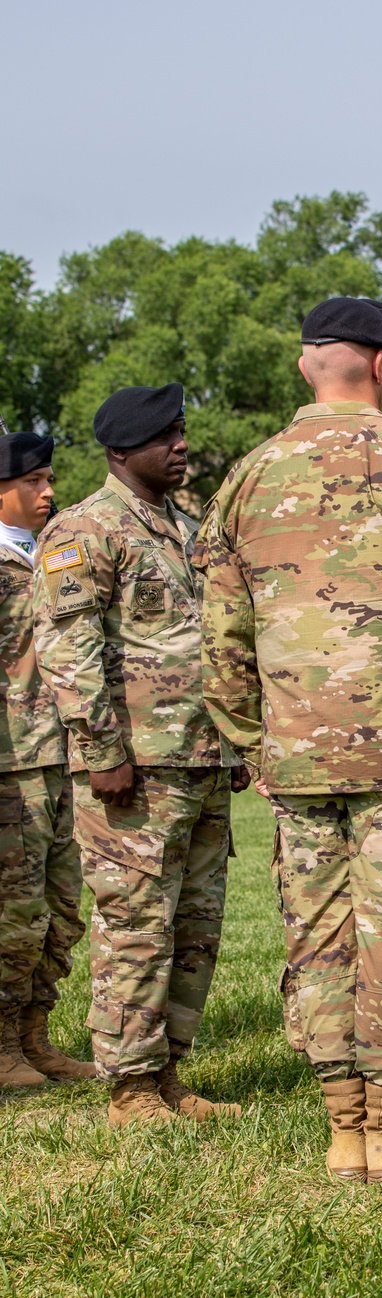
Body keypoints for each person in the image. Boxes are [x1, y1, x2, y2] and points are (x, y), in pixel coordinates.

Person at [196, 295, 382, 1182]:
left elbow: (219, 634)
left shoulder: (248, 477)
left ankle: (345, 1129)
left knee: (320, 933)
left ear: (307, 365)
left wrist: (252, 741)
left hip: (295, 756)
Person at [33, 385, 246, 1127]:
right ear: (121, 451)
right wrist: (99, 747)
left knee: (195, 927)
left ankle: (168, 1073)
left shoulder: (187, 527)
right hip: (134, 766)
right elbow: (68, 644)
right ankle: (129, 1087)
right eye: (165, 434)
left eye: (183, 431)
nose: (181, 444)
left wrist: (237, 738)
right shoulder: (83, 528)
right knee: (135, 922)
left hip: (201, 758)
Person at [0, 431, 94, 1088]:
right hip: (11, 763)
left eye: (49, 479)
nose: (48, 491)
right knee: (15, 911)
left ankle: (36, 1038)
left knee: (60, 908)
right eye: (34, 480)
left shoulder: (50, 558)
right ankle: (2, 1045)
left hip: (61, 756)